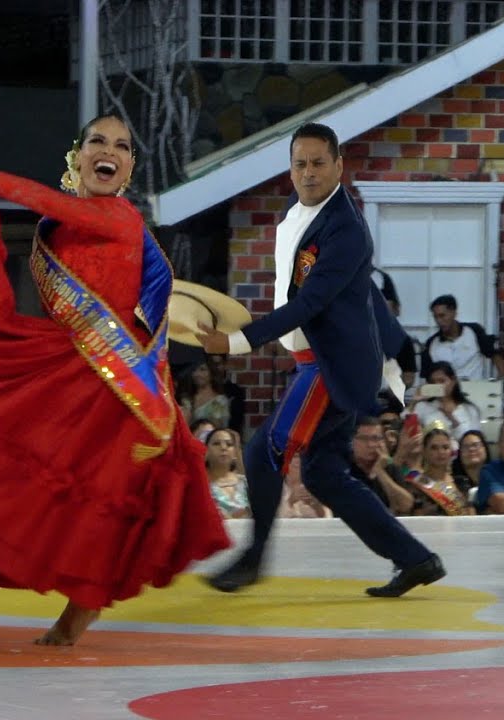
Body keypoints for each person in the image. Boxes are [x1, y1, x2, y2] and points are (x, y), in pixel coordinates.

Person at [0, 118, 230, 653]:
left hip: (120, 393)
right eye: (98, 142)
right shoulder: (57, 229)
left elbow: (45, 199)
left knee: (109, 515)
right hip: (64, 379)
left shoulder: (119, 217)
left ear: (129, 169)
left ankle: (68, 626)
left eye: (122, 147)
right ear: (78, 156)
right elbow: (54, 212)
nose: (109, 151)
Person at [196, 122, 444, 599]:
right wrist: (396, 350)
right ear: (291, 169)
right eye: (300, 164)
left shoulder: (346, 229)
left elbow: (309, 303)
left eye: (318, 163)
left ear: (338, 166)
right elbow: (362, 295)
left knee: (263, 453)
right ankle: (416, 559)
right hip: (327, 360)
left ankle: (253, 558)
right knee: (323, 475)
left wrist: (237, 342)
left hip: (329, 366)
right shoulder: (298, 209)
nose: (308, 173)